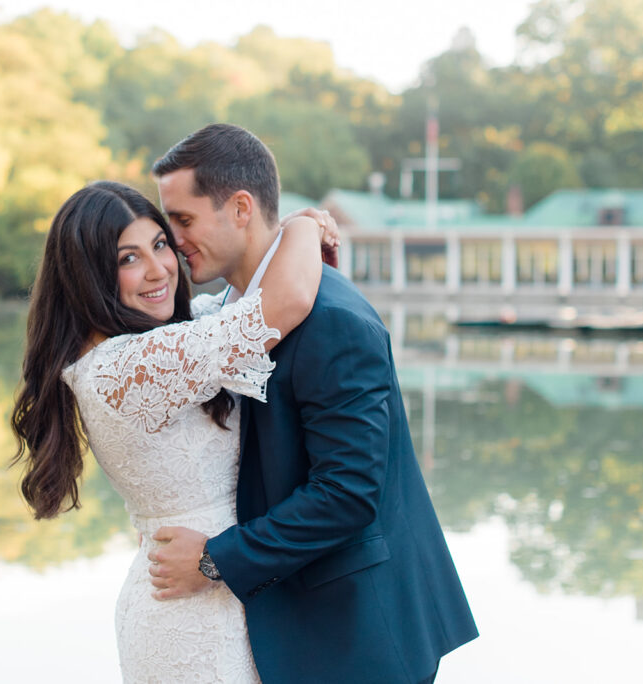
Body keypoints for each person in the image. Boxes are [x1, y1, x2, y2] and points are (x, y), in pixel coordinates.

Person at [147, 124, 479, 684]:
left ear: (241, 208)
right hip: (291, 620)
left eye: (183, 220)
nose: (174, 239)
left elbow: (347, 494)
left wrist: (215, 560)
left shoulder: (334, 321)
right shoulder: (231, 311)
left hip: (355, 631)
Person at [11, 180, 336, 682]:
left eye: (160, 244)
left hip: (220, 591)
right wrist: (304, 226)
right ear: (87, 275)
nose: (159, 268)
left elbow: (234, 303)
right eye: (128, 259)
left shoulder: (155, 344)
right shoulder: (125, 367)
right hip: (190, 620)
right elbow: (285, 299)